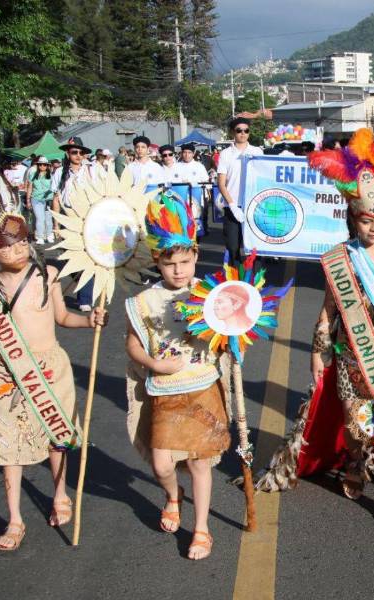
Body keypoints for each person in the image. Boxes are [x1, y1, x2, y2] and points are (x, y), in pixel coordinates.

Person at [258, 122, 374, 529]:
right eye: (365, 220)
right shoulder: (339, 258)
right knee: (356, 421)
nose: (373, 227)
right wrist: (316, 351)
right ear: (352, 219)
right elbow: (328, 309)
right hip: (349, 350)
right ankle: (358, 461)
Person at [125, 195, 232, 560]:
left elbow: (230, 331)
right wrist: (155, 365)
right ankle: (173, 494)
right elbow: (133, 346)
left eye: (185, 262)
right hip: (166, 391)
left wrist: (234, 338)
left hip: (201, 387)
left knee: (200, 463)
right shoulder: (145, 301)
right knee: (162, 464)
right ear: (157, 260)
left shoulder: (211, 293)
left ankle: (201, 529)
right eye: (171, 264)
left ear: (196, 257)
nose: (179, 271)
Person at [0, 211, 107, 551]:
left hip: (50, 368)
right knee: (8, 447)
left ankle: (60, 493)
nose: (18, 250)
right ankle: (15, 518)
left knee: (57, 435)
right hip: (8, 372)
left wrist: (89, 320)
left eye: (24, 243)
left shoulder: (48, 274)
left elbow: (61, 317)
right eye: (7, 246)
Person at [51, 137, 95, 311]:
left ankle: (85, 298)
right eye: (73, 152)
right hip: (67, 217)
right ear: (68, 153)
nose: (77, 155)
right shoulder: (60, 172)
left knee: (85, 256)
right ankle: (86, 281)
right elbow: (56, 199)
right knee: (69, 258)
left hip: (86, 217)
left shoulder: (92, 171)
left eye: (80, 152)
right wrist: (56, 224)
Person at [217, 118, 263, 266]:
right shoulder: (225, 154)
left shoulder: (257, 151)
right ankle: (235, 280)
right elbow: (221, 183)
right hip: (233, 207)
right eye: (239, 130)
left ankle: (255, 282)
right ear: (233, 132)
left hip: (253, 206)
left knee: (255, 248)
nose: (243, 134)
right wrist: (232, 205)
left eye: (246, 130)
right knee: (233, 246)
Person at [25, 156, 54, 243]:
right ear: (37, 165)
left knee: (48, 218)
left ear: (47, 166)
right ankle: (40, 237)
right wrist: (28, 200)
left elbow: (54, 188)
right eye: (40, 164)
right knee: (40, 218)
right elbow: (30, 187)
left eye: (44, 165)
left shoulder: (51, 176)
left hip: (48, 199)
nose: (42, 166)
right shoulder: (32, 174)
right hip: (36, 199)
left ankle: (49, 235)